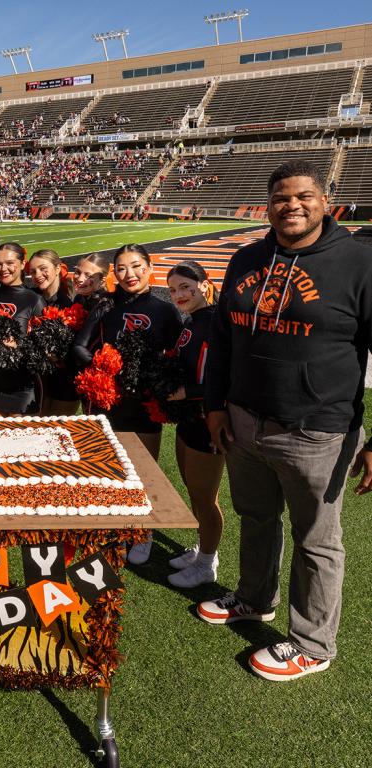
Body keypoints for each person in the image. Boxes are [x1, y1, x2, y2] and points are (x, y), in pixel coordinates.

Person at [198, 159, 372, 681]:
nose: (291, 205)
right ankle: (255, 599)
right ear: (267, 205)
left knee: (317, 540)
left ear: (326, 201)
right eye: (280, 198)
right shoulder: (247, 258)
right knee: (256, 518)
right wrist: (214, 404)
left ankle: (313, 644)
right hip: (245, 420)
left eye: (303, 196)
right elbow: (223, 338)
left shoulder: (359, 264)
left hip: (318, 429)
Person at [72, 243, 183, 564]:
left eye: (136, 266)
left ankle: (142, 531)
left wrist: (158, 374)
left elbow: (178, 357)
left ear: (149, 268)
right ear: (114, 273)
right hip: (110, 402)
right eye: (121, 268)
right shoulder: (105, 306)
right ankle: (117, 530)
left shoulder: (165, 310)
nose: (129, 274)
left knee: (145, 472)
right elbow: (79, 348)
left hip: (145, 404)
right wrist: (103, 366)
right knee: (113, 471)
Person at [165, 261, 224, 588]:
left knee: (205, 497)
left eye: (186, 286)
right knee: (194, 491)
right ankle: (203, 548)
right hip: (188, 419)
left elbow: (227, 380)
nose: (179, 294)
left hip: (207, 422)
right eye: (173, 290)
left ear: (205, 284)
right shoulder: (192, 322)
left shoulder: (216, 322)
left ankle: (207, 563)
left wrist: (189, 392)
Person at [0, 243, 46, 417]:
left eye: (10, 263)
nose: (3, 269)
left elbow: (44, 346)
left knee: (22, 442)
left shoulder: (34, 299)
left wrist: (19, 347)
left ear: (23, 264)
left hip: (24, 385)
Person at [28, 249, 79, 416]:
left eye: (43, 269)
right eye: (33, 271)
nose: (38, 275)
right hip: (37, 380)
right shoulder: (31, 298)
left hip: (65, 381)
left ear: (58, 268)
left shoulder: (72, 302)